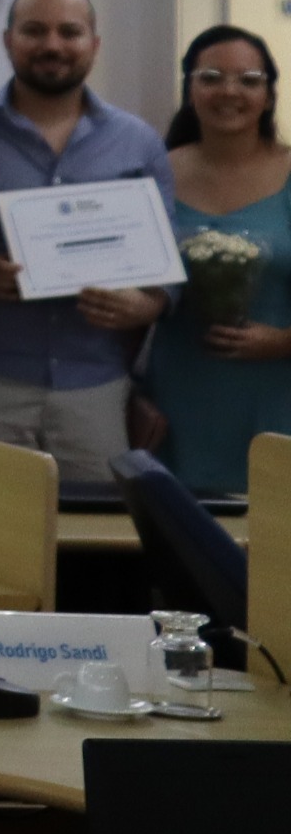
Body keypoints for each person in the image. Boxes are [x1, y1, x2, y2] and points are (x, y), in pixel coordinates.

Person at [0, 0, 172, 486]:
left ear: (94, 44)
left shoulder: (137, 142)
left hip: (93, 388)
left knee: (98, 530)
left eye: (69, 32)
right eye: (34, 31)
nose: (52, 45)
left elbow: (166, 268)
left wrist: (146, 304)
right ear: (8, 41)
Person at [156, 24, 291, 494]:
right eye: (211, 77)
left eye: (248, 80)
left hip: (276, 394)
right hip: (176, 393)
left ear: (269, 96)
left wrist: (283, 342)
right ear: (190, 90)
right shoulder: (155, 173)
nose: (229, 91)